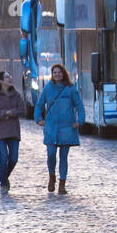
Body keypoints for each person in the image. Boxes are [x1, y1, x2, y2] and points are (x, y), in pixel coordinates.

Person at [35, 63, 84, 194]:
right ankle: (52, 177)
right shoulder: (47, 89)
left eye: (59, 72)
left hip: (67, 128)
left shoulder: (71, 89)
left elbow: (79, 105)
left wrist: (80, 121)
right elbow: (39, 105)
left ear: (63, 74)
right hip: (51, 128)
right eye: (55, 72)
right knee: (51, 155)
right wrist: (38, 119)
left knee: (64, 157)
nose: (57, 74)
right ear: (52, 74)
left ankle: (62, 184)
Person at [0, 71, 25, 193]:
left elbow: (23, 109)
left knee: (13, 159)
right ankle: (3, 183)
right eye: (7, 77)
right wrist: (5, 114)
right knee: (3, 157)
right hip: (0, 132)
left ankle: (4, 176)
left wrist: (11, 112)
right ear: (1, 81)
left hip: (13, 131)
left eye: (10, 76)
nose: (10, 79)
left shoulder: (16, 95)